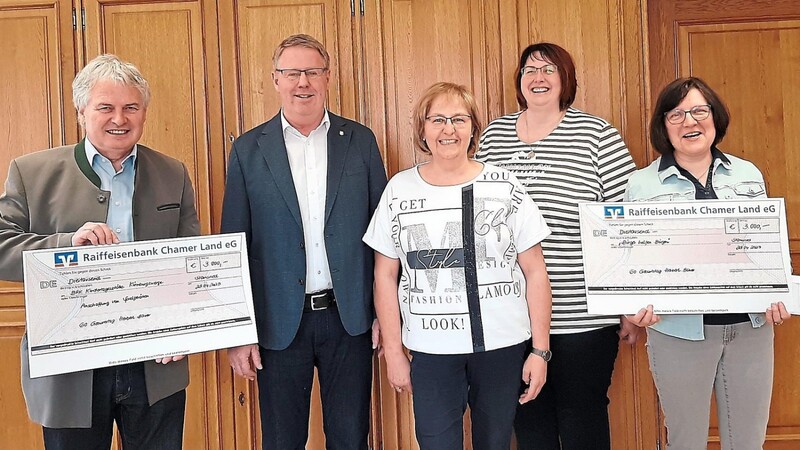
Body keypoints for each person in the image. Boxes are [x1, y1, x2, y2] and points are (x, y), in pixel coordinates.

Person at [0, 54, 199, 449]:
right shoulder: (31, 171)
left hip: (154, 367)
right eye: (105, 107)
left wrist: (185, 326)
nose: (119, 119)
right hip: (70, 370)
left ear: (144, 113)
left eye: (131, 107)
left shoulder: (173, 172)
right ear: (81, 112)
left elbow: (188, 264)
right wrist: (67, 244)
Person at [364, 82, 553, 450]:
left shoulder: (505, 186)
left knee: (496, 442)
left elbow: (535, 271)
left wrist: (540, 350)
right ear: (422, 129)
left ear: (473, 129)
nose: (448, 129)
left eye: (459, 119)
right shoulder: (398, 190)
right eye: (437, 119)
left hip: (501, 345)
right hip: (430, 348)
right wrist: (393, 352)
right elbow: (384, 276)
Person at [220, 34, 387, 449]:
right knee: (281, 440)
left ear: (328, 78)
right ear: (275, 80)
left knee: (351, 438)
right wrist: (238, 331)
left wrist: (388, 313)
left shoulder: (361, 141)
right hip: (277, 323)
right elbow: (234, 243)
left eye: (312, 72)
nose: (302, 82)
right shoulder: (247, 150)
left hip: (349, 319)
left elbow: (386, 237)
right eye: (291, 72)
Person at [475, 42, 638, 449]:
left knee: (583, 420)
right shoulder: (494, 136)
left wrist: (631, 304)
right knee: (530, 425)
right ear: (519, 81)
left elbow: (629, 223)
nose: (539, 77)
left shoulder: (597, 134)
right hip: (513, 318)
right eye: (530, 69)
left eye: (550, 70)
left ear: (566, 80)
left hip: (584, 317)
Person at [624, 76, 791, 449]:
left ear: (715, 118)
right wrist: (634, 307)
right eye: (677, 114)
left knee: (748, 442)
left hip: (751, 330)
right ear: (663, 126)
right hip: (677, 333)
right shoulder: (641, 185)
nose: (690, 121)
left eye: (700, 111)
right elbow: (633, 260)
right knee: (685, 441)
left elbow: (764, 249)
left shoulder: (748, 174)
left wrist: (776, 295)